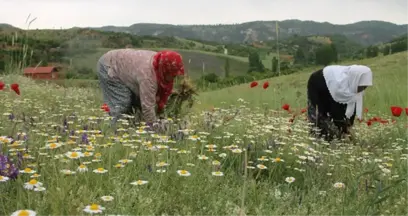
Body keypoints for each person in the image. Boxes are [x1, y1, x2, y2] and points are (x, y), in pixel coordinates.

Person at [96, 49, 185, 126]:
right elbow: (147, 106)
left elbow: (154, 94)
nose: (174, 78)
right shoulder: (147, 76)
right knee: (121, 103)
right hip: (109, 65)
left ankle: (131, 125)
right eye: (172, 74)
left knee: (136, 102)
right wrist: (153, 129)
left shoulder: (159, 62)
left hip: (124, 66)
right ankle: (111, 130)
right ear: (165, 70)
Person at [306, 65, 373, 141]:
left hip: (331, 85)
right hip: (318, 83)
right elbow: (336, 111)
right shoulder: (340, 87)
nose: (362, 89)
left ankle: (334, 138)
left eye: (365, 87)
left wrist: (349, 125)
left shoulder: (355, 84)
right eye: (362, 86)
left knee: (337, 128)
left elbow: (352, 107)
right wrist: (345, 131)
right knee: (320, 117)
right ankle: (319, 140)